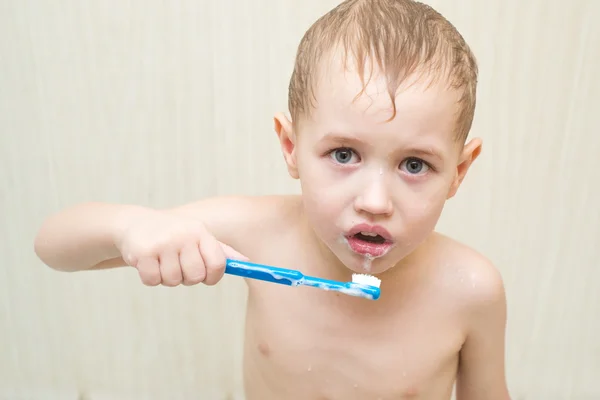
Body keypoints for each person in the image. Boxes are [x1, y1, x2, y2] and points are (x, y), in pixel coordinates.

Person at [34, 0, 511, 398]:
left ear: (459, 171)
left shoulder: (470, 290)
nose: (374, 201)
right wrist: (129, 227)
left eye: (414, 165)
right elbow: (51, 247)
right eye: (343, 154)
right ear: (291, 147)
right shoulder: (258, 235)